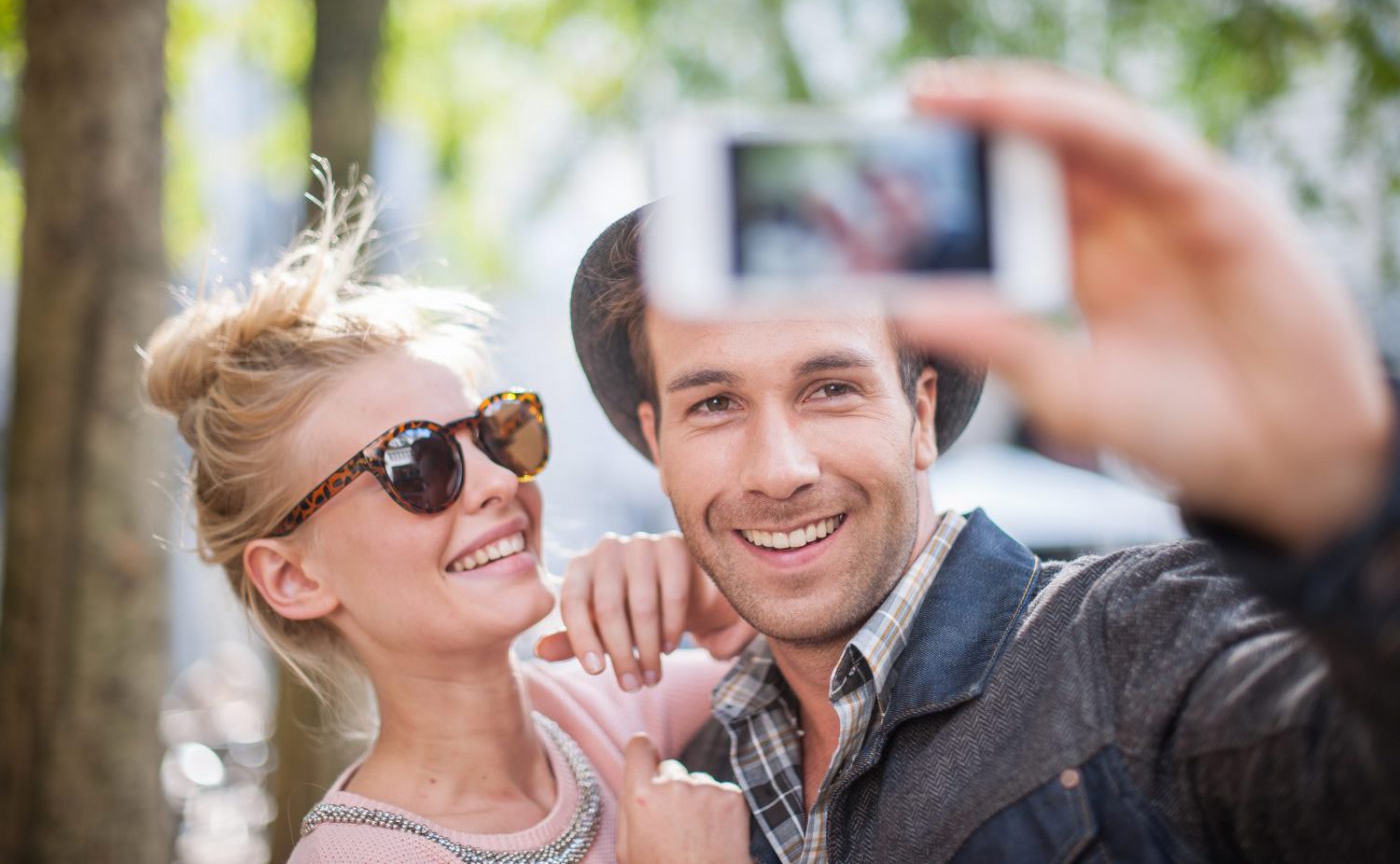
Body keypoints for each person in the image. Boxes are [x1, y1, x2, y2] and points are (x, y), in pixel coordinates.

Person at [545, 59, 1400, 862]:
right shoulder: (690, 771)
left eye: (831, 388)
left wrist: (1351, 503)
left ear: (919, 414)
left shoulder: (1132, 641)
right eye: (716, 404)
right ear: (659, 445)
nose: (778, 469)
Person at [142, 175, 751, 863]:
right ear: (291, 576)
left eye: (496, 432)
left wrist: (718, 604)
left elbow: (846, 676)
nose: (499, 480)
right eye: (418, 464)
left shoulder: (615, 708)